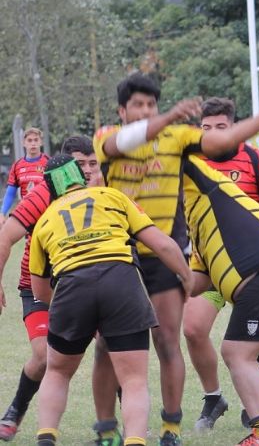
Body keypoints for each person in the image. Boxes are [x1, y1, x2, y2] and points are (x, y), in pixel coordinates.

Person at [93, 72, 259, 445]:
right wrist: (185, 281)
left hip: (184, 259)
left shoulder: (181, 146)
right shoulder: (107, 137)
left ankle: (180, 429)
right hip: (127, 257)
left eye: (151, 105)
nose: (146, 111)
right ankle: (108, 430)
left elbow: (222, 143)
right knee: (112, 346)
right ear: (121, 111)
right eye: (137, 105)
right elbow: (123, 141)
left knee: (187, 344)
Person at [28, 154, 193, 446]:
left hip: (71, 287)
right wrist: (187, 276)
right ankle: (135, 441)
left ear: (51, 187)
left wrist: (75, 312)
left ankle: (46, 439)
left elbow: (40, 291)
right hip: (121, 282)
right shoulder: (111, 196)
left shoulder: (45, 220)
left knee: (57, 371)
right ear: (79, 176)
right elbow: (163, 245)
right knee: (133, 380)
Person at [183, 97, 259, 440]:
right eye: (206, 128)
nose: (213, 134)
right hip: (209, 266)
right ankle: (213, 398)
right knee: (193, 329)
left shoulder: (255, 159)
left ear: (233, 127)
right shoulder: (191, 163)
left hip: (253, 266)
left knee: (249, 347)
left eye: (220, 127)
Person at [0, 137, 124, 445]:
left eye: (92, 164)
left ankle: (115, 427)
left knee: (116, 347)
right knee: (45, 356)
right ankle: (15, 411)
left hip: (88, 284)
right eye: (80, 164)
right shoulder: (44, 193)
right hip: (39, 286)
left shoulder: (105, 192)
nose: (87, 171)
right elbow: (5, 237)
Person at [1, 127, 49, 220]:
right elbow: (10, 193)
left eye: (36, 140)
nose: (33, 143)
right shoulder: (17, 166)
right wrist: (2, 213)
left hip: (46, 213)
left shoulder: (49, 163)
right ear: (24, 143)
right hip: (26, 213)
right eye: (29, 140)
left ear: (41, 142)